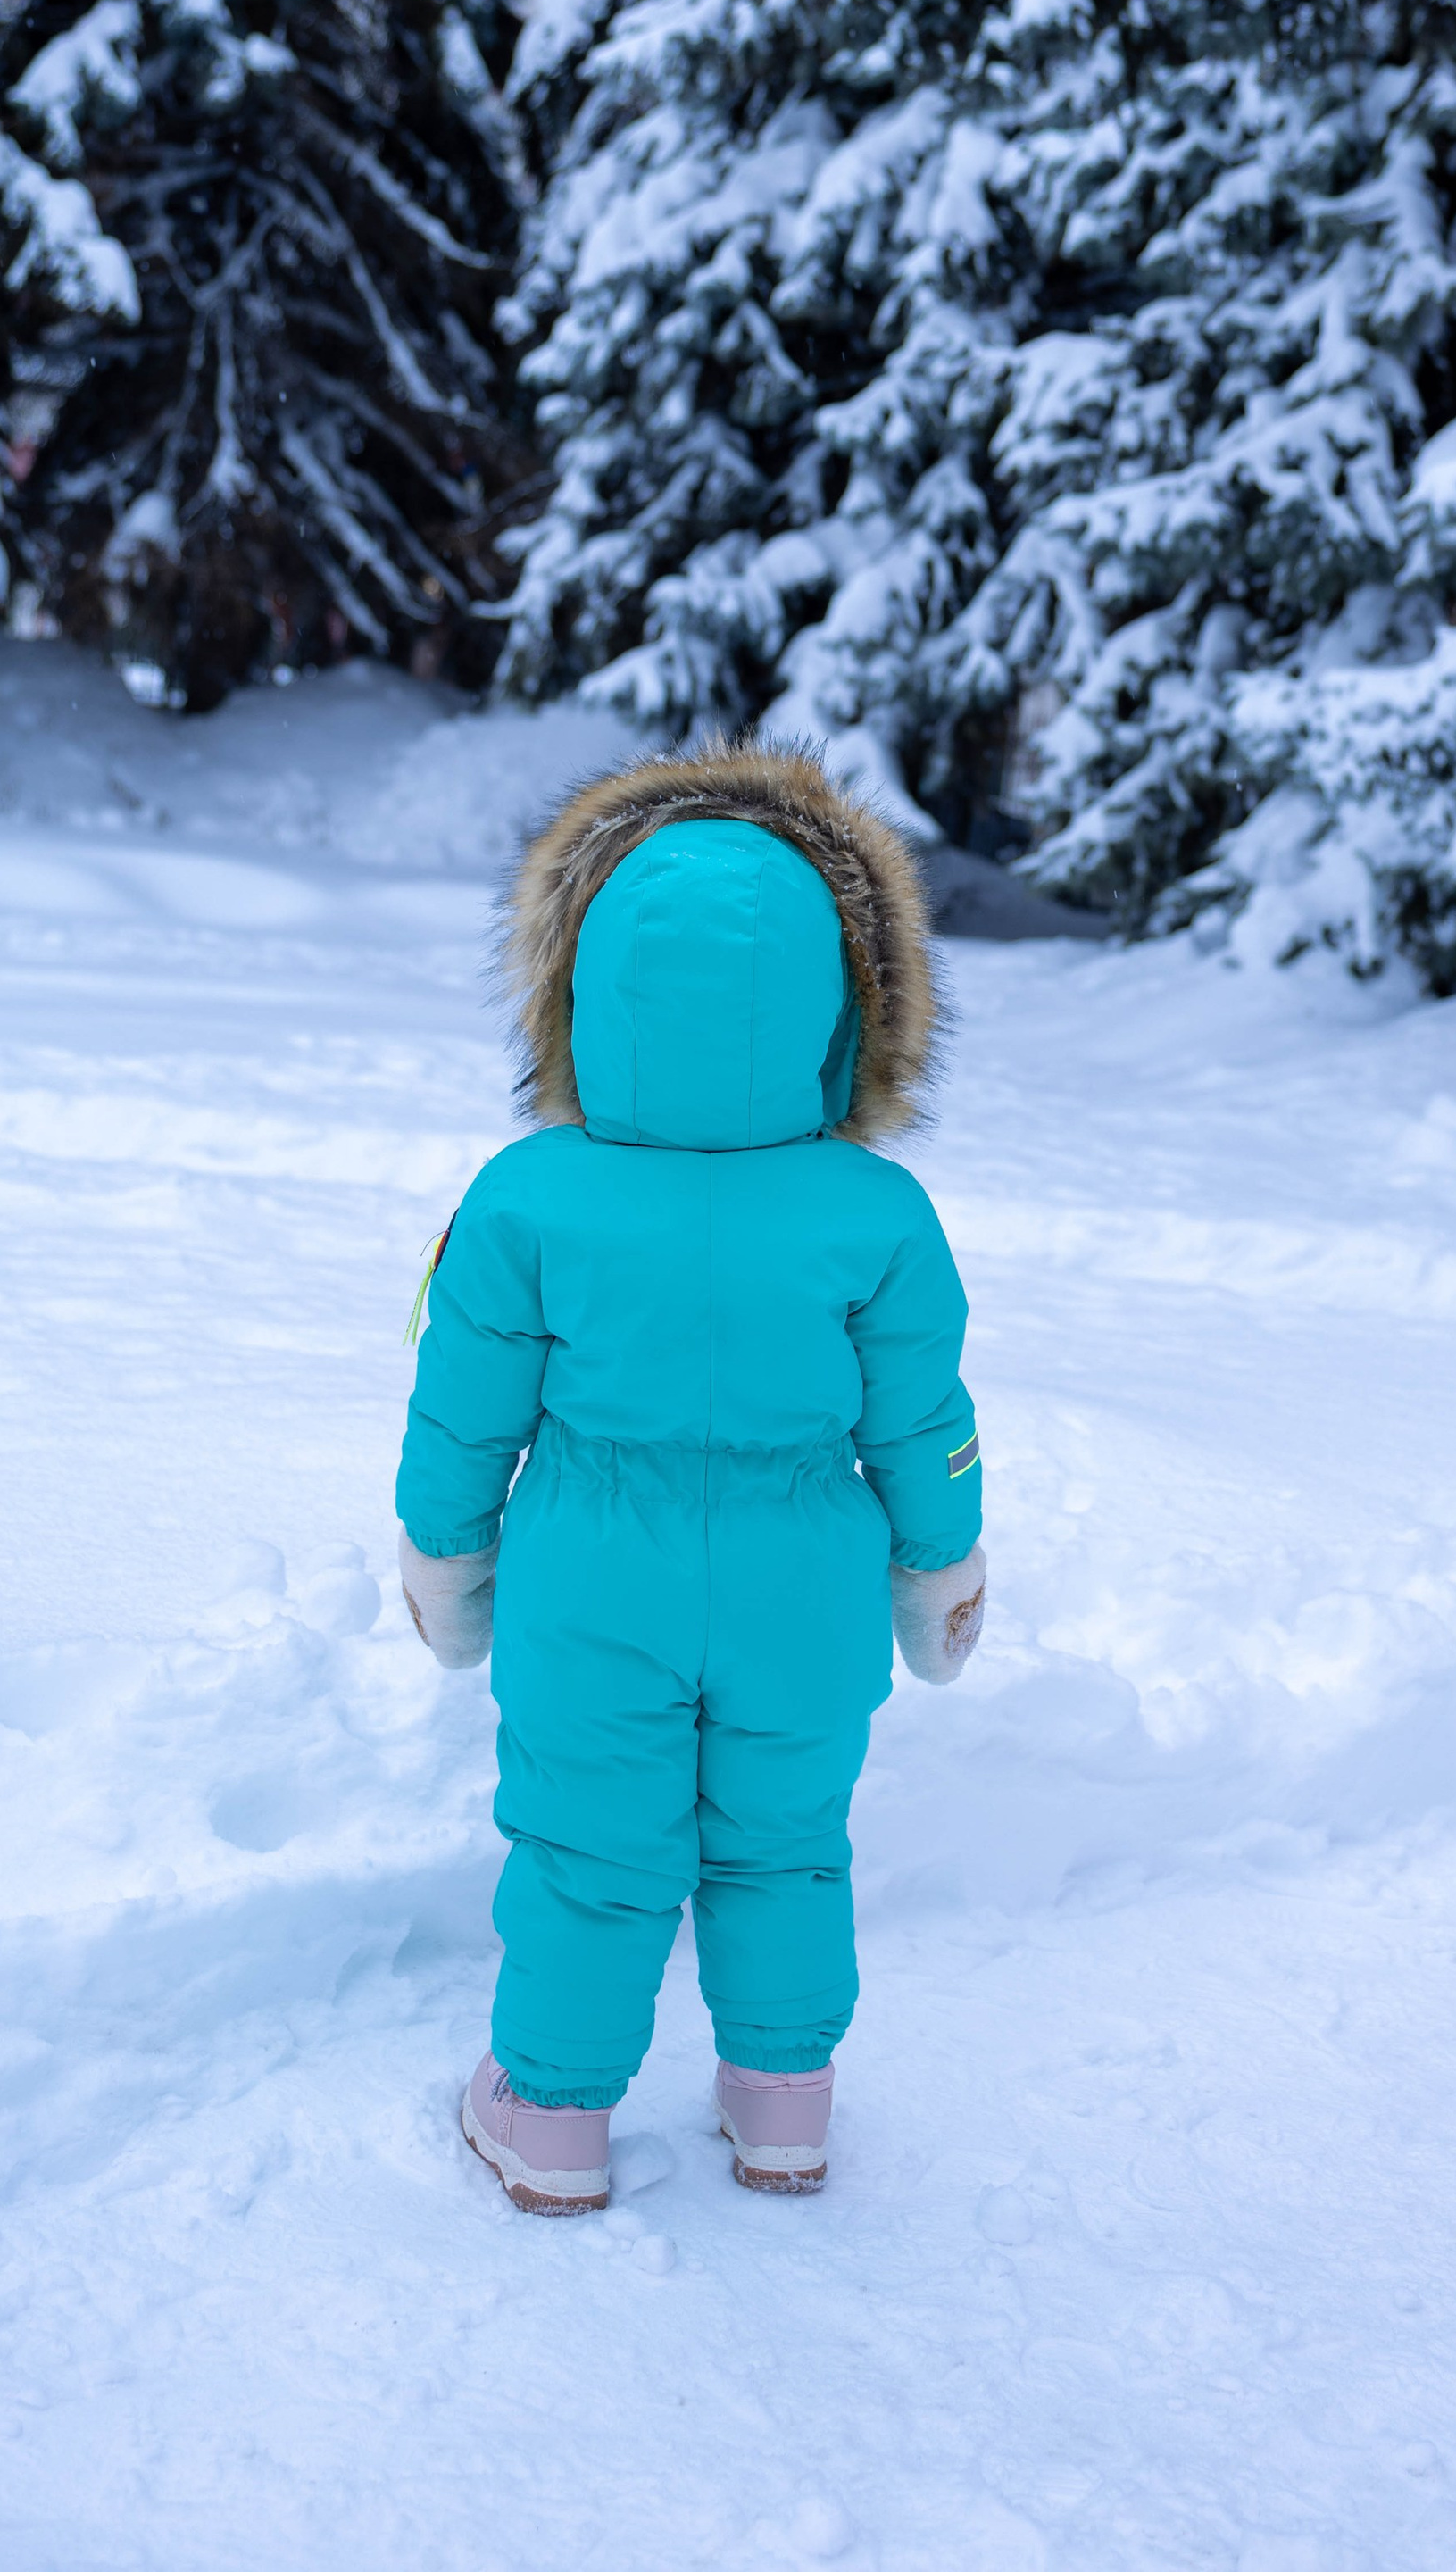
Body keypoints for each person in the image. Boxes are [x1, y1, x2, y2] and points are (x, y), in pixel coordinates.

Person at [395, 745, 986, 2214]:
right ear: (841, 1004)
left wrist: (444, 1558)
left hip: (593, 1571)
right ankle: (785, 2102)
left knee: (592, 1851)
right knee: (783, 1846)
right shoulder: (879, 1210)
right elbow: (923, 1414)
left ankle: (549, 2119)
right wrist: (942, 1567)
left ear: (588, 993)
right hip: (807, 1576)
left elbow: (466, 1408)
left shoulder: (526, 1194)